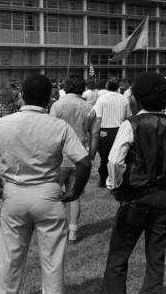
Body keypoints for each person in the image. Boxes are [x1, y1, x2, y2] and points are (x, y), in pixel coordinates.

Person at [0, 74, 90, 294]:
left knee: (10, 260)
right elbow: (84, 162)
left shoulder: (2, 124)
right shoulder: (59, 126)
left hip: (15, 195)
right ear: (49, 99)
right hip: (48, 196)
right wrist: (75, 191)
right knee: (53, 262)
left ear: (23, 96)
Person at [101, 72, 166, 294]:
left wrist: (114, 185)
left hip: (136, 197)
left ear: (136, 99)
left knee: (119, 255)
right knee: (156, 256)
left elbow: (114, 160)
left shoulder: (132, 124)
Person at [49, 75, 100, 242]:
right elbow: (95, 135)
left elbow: (50, 132)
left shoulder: (57, 105)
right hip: (80, 156)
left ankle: (55, 229)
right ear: (82, 89)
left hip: (59, 156)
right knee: (75, 195)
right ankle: (73, 231)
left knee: (55, 195)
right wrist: (91, 157)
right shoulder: (90, 108)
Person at [93, 76, 132, 187]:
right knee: (120, 157)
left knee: (105, 159)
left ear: (106, 86)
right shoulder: (124, 99)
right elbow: (129, 117)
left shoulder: (102, 99)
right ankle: (119, 180)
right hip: (120, 131)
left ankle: (103, 180)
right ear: (118, 87)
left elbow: (98, 118)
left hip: (104, 132)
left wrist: (95, 133)